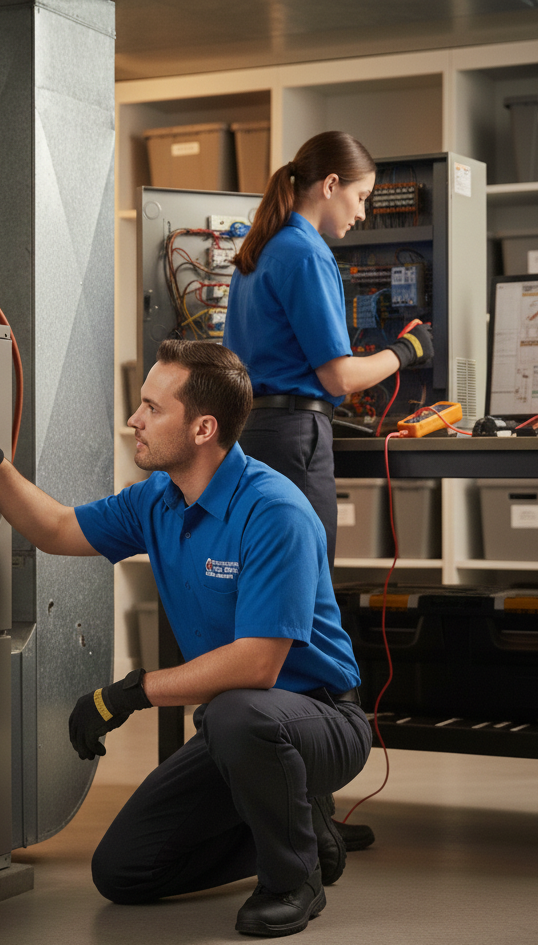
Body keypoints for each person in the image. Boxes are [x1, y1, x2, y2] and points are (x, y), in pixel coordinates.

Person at [0, 339, 372, 938]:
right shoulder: (158, 499)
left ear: (203, 427)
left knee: (236, 714)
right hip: (242, 730)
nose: (134, 419)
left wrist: (128, 694)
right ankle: (303, 832)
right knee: (124, 871)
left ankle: (292, 881)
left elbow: (260, 663)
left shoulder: (273, 512)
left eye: (152, 408)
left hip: (319, 720)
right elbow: (55, 528)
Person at [223, 130, 432, 852]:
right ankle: (307, 816)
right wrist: (405, 350)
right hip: (296, 441)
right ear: (329, 187)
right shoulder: (305, 251)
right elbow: (340, 378)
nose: (365, 216)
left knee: (273, 614)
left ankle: (297, 806)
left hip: (257, 440)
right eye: (363, 198)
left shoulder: (256, 252)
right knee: (305, 616)